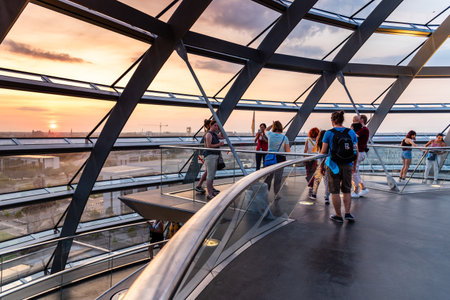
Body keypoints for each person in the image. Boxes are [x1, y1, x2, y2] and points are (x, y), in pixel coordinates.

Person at [321, 111, 358, 223]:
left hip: (333, 165)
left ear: (332, 121)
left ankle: (338, 215)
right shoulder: (351, 132)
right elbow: (356, 150)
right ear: (343, 120)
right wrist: (354, 165)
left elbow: (323, 151)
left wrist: (322, 164)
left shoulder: (328, 133)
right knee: (347, 190)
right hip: (348, 165)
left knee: (335, 191)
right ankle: (347, 213)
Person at [264, 121, 290, 197]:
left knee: (268, 177)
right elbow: (288, 151)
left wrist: (272, 125)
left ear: (274, 127)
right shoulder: (285, 138)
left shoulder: (270, 134)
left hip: (270, 158)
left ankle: (266, 193)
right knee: (278, 178)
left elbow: (265, 130)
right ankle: (276, 194)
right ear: (281, 127)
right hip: (280, 159)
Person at [204, 120, 224, 200]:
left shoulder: (214, 134)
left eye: (217, 126)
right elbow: (208, 146)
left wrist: (221, 129)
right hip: (210, 156)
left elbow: (222, 136)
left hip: (215, 156)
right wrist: (218, 144)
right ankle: (209, 194)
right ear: (210, 125)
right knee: (210, 175)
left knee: (212, 175)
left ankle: (211, 192)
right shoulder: (209, 134)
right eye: (215, 125)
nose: (216, 127)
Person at [351, 115, 370, 198]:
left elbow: (353, 136)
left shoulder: (364, 129)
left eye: (358, 119)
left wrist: (351, 130)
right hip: (358, 153)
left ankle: (356, 190)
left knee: (354, 172)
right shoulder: (362, 129)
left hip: (359, 153)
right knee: (355, 171)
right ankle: (363, 188)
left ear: (362, 120)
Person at [310, 130, 330, 204]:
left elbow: (319, 155)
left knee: (317, 179)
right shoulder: (329, 143)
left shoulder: (319, 144)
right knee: (327, 181)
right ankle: (327, 198)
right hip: (328, 163)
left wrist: (321, 167)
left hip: (321, 163)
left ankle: (314, 194)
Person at [195, 119, 211, 194]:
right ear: (208, 126)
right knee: (208, 171)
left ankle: (201, 186)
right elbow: (209, 145)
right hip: (207, 154)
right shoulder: (208, 133)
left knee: (208, 171)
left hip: (206, 154)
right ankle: (199, 186)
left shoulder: (208, 133)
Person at [304, 127, 319, 195]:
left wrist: (304, 157)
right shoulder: (318, 141)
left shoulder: (308, 140)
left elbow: (305, 150)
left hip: (308, 158)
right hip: (315, 158)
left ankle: (310, 183)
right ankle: (312, 184)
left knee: (308, 171)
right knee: (313, 172)